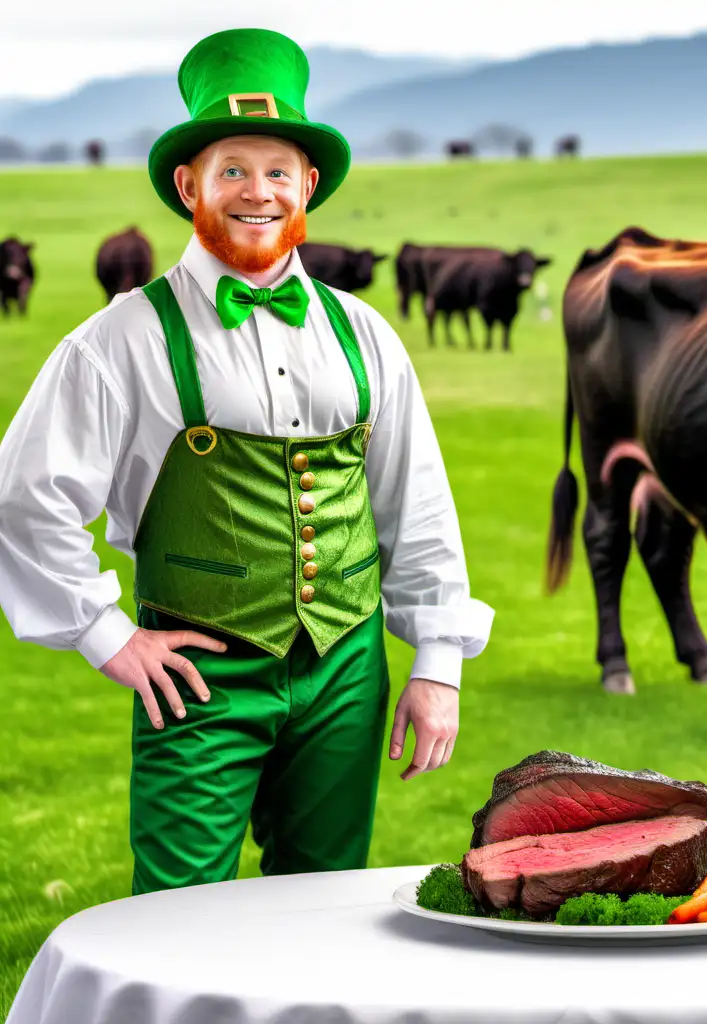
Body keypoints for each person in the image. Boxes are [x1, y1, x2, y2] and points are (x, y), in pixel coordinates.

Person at [0, 27, 494, 894]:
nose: (256, 193)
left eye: (277, 171)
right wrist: (107, 636)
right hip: (196, 676)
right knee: (177, 914)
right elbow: (22, 501)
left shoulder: (363, 332)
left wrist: (436, 663)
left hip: (347, 668)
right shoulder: (120, 338)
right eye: (233, 170)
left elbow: (414, 503)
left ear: (307, 186)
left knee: (324, 901)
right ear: (190, 185)